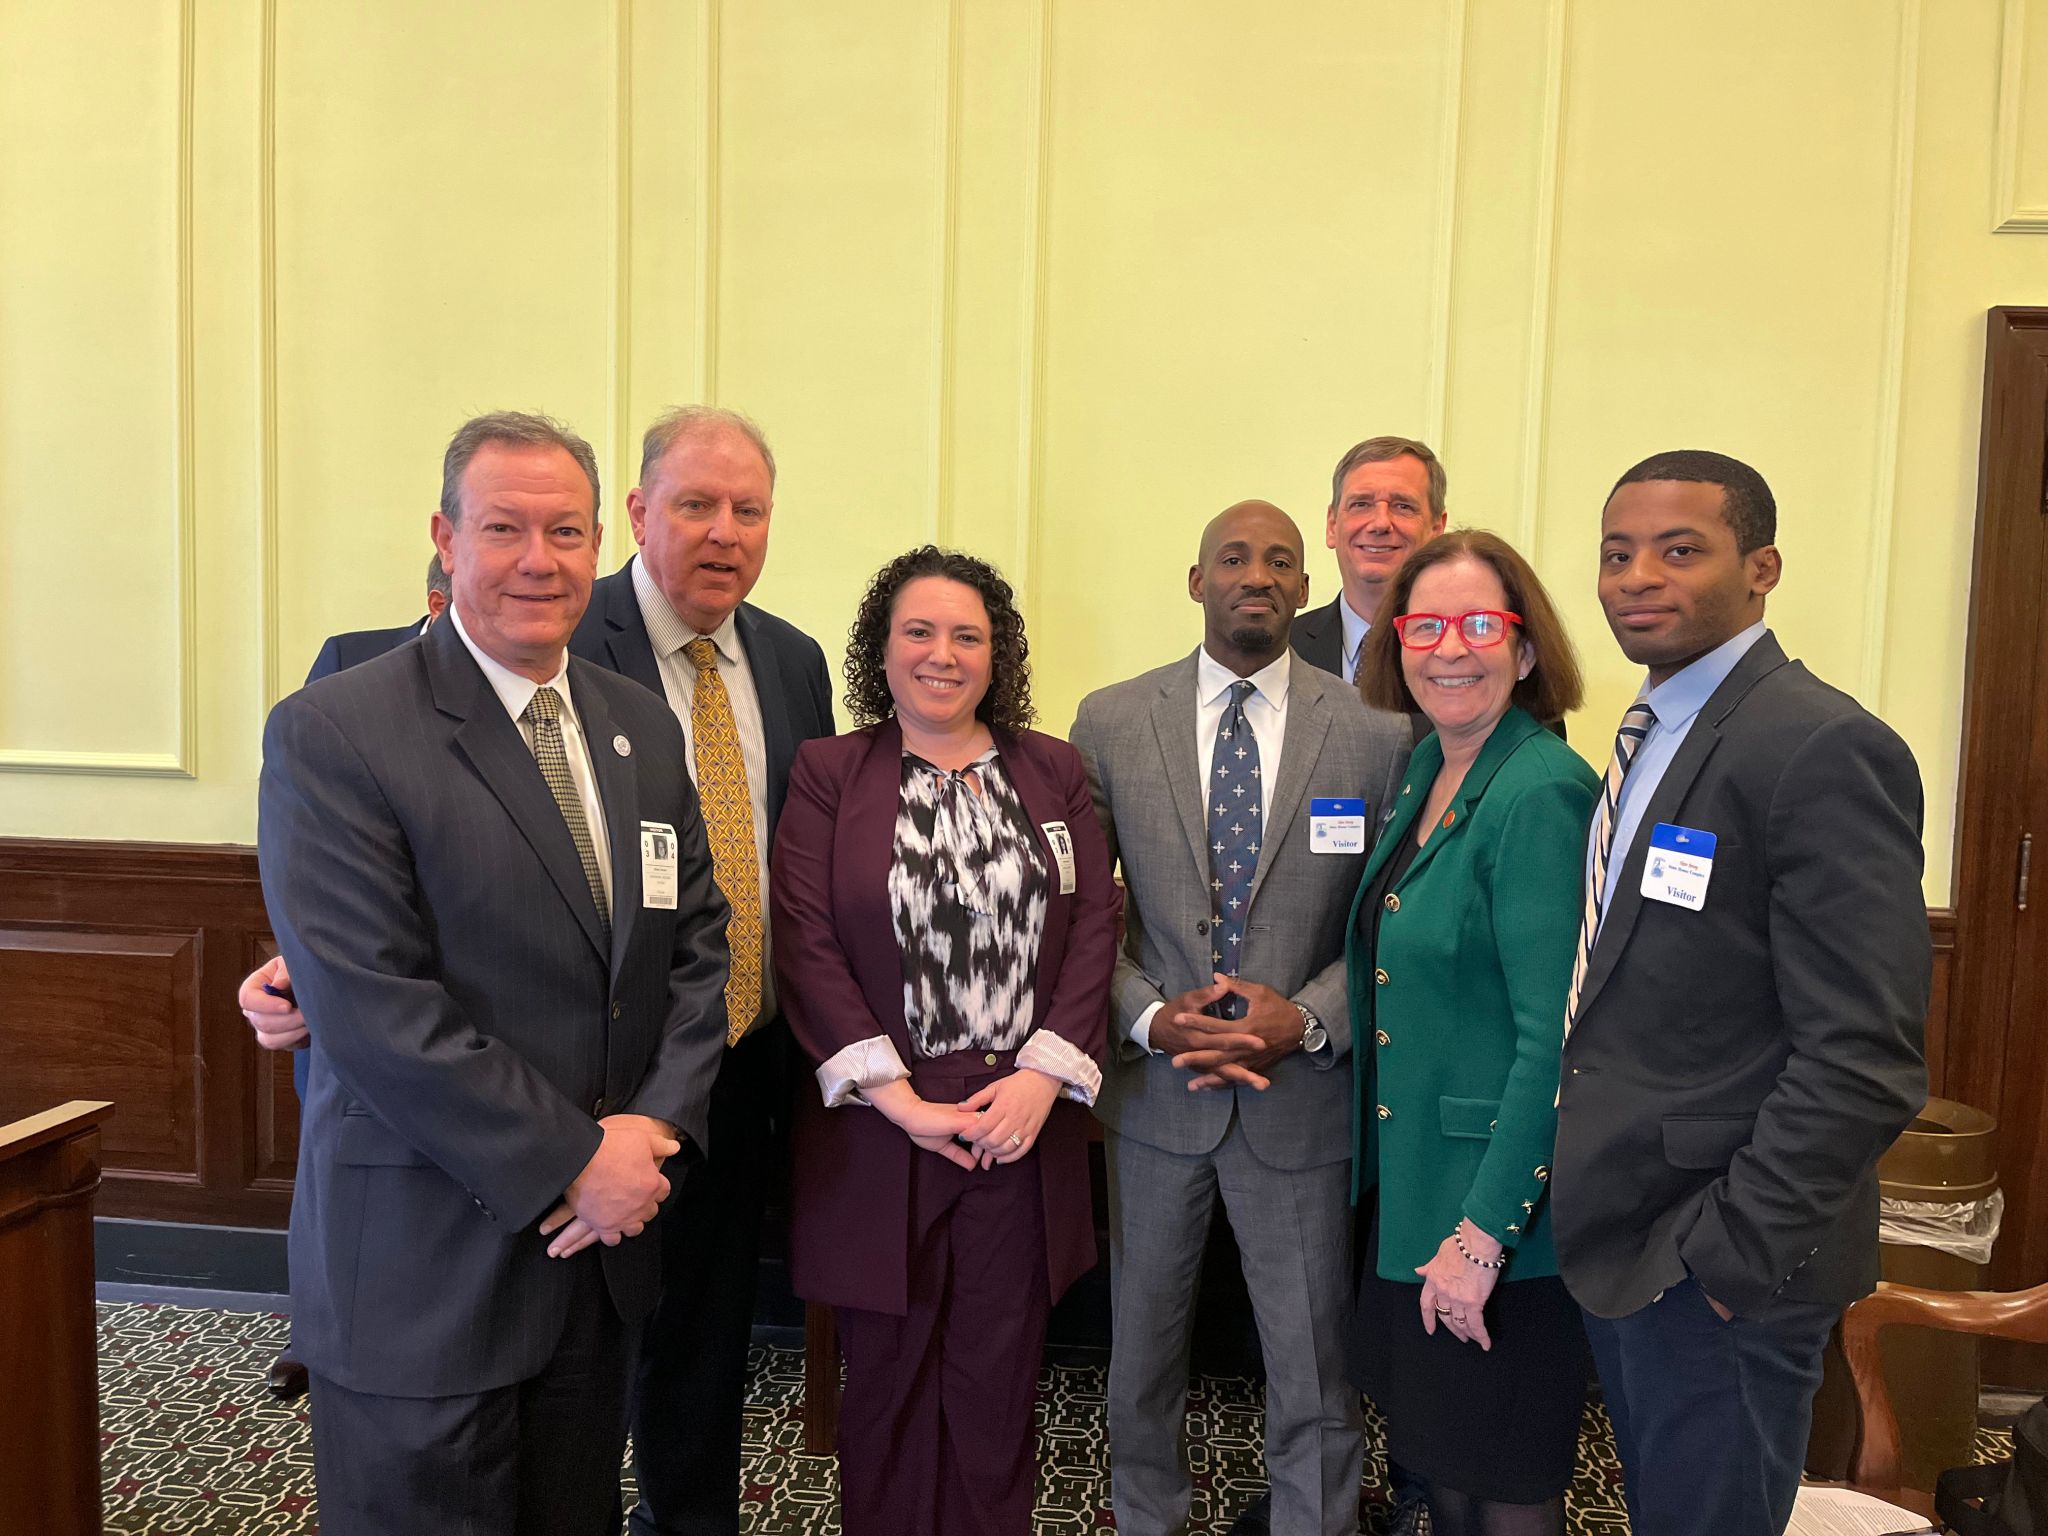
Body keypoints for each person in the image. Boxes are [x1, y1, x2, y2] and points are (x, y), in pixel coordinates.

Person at [240, 405, 834, 1535]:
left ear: (595, 539)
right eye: (504, 528)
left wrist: (651, 1129)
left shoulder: (633, 726)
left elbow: (699, 941)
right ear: (445, 537)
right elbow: (375, 1004)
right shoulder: (338, 726)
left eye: (563, 532)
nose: (538, 559)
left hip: (595, 1261)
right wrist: (577, 1161)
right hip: (428, 1258)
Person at [1552, 450, 1929, 1536]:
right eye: (1617, 554)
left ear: (1761, 568)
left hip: (1721, 1260)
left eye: (1680, 550)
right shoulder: (1656, 735)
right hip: (1637, 1233)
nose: (1637, 577)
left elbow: (1863, 1057)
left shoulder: (1818, 744)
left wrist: (1727, 1257)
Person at [1071, 500, 1411, 1536]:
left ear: (1305, 587)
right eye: (1232, 557)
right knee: (1139, 1355)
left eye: (1278, 560)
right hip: (1154, 1098)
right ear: (1196, 580)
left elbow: (1390, 924)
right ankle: (1147, 1520)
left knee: (1312, 1364)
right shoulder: (1111, 721)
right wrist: (1145, 1018)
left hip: (1299, 1097)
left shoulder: (1375, 734)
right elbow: (1077, 913)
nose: (1255, 574)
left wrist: (1303, 1019)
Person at [770, 546, 1119, 1536]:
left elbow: (1094, 922)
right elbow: (804, 933)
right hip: (883, 1121)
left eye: (967, 635)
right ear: (879, 651)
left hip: (1018, 1120)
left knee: (996, 1378)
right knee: (885, 1381)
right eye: (918, 632)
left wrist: (1042, 1078)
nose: (942, 654)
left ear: (994, 655)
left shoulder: (1050, 768)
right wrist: (898, 1100)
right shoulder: (830, 771)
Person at [1346, 531, 1597, 1536]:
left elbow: (1556, 1040)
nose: (1450, 648)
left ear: (1525, 648)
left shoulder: (1540, 790)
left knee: (1504, 1492)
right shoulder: (1430, 767)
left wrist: (1483, 1235)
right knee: (1447, 1472)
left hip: (1494, 1224)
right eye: (1425, 627)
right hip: (1418, 1196)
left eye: (1480, 624)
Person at [1292, 437, 1447, 686]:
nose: (1380, 523)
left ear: (1436, 530)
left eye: (1403, 506)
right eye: (1361, 504)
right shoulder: (1283, 649)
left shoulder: (1461, 651)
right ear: (1332, 525)